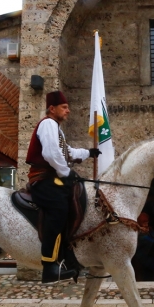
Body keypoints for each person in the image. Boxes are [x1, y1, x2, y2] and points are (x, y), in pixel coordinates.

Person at [25, 91, 101, 283]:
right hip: (43, 179)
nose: (68, 111)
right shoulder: (48, 124)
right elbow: (51, 154)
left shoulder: (56, 129)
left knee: (78, 197)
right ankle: (49, 265)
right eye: (64, 107)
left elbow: (67, 152)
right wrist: (66, 173)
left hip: (53, 177)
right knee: (59, 208)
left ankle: (67, 255)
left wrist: (88, 153)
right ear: (52, 109)